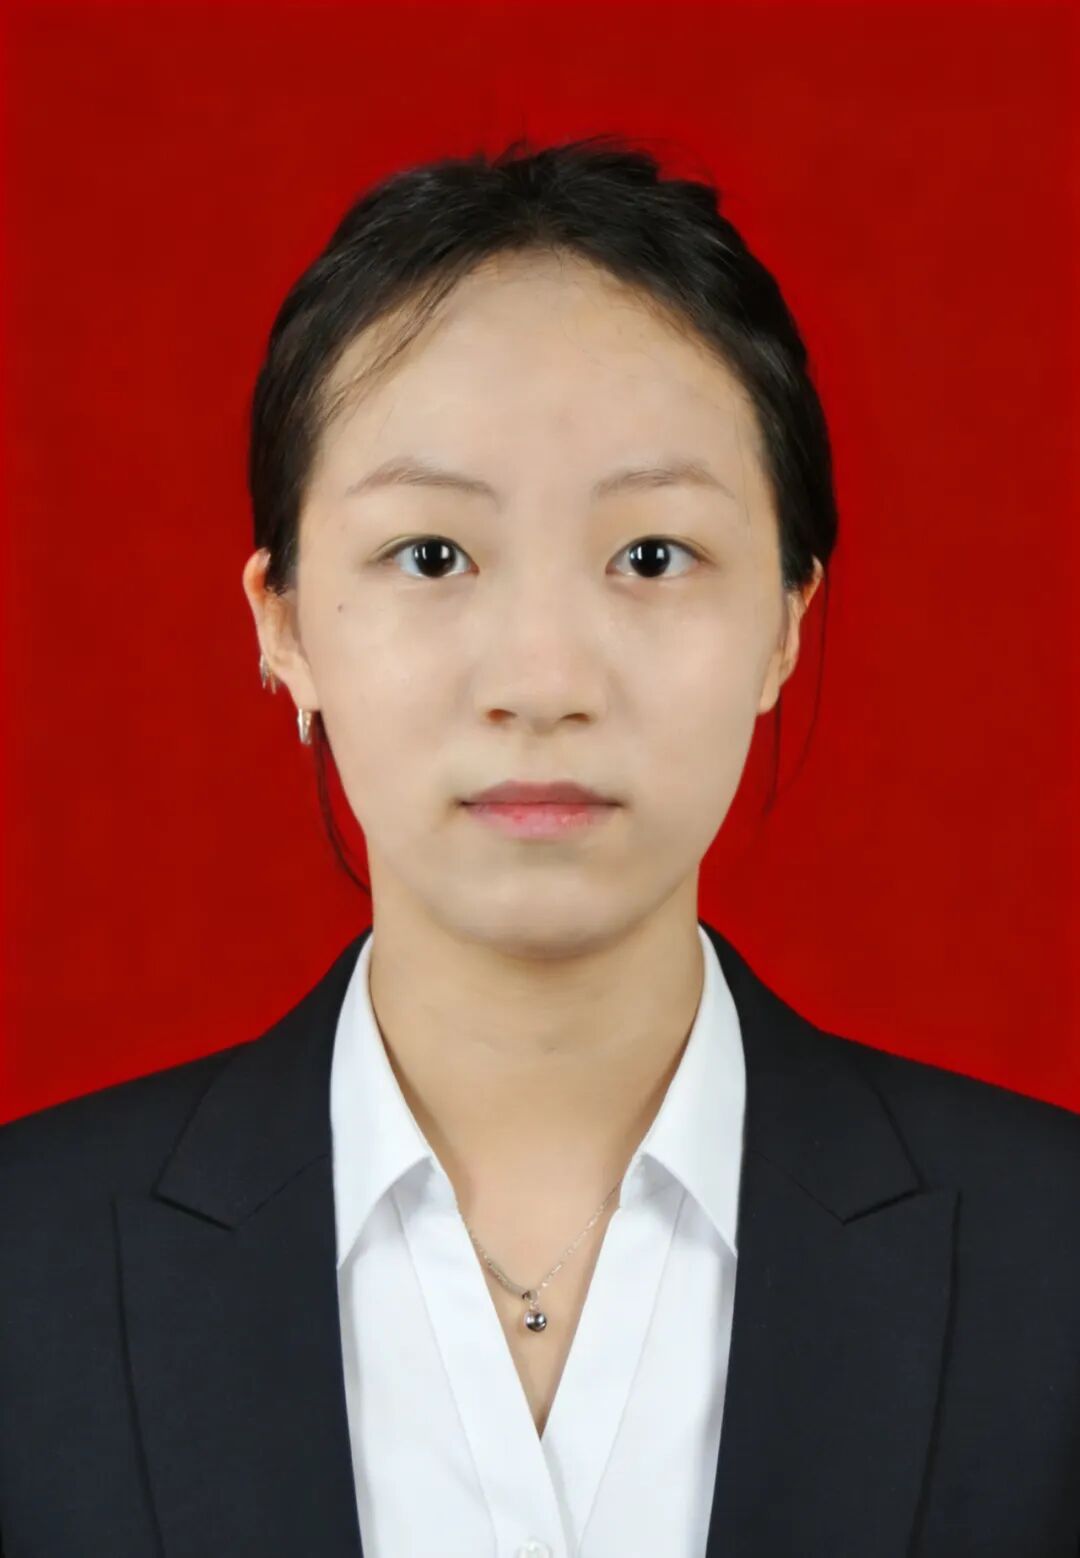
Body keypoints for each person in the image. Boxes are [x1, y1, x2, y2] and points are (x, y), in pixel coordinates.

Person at [1, 132, 1078, 1558]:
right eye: (432, 555)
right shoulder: (27, 1266)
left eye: (651, 556)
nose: (543, 676)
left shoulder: (1050, 1257)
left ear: (784, 624)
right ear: (285, 625)